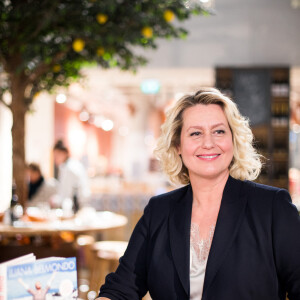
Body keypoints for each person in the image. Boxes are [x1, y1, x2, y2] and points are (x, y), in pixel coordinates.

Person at [97, 88, 300, 300]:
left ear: (233, 140)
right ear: (178, 145)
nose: (208, 143)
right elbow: (121, 289)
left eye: (219, 131)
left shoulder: (272, 207)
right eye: (195, 133)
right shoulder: (159, 211)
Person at [53, 140, 91, 211]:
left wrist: (56, 201)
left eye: (57, 156)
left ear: (64, 153)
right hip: (79, 203)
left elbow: (66, 194)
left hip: (77, 205)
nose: (55, 159)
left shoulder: (69, 169)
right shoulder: (70, 165)